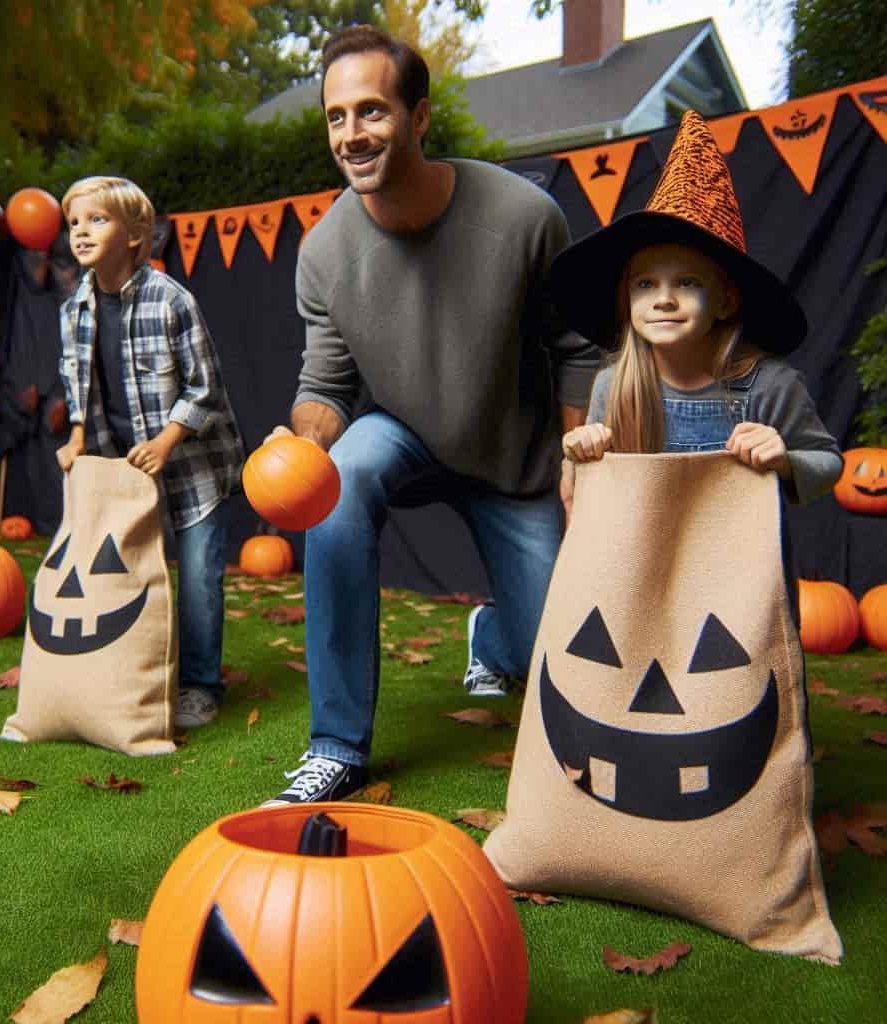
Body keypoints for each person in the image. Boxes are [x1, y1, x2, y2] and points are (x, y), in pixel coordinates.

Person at [262, 26, 599, 805]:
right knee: (340, 482)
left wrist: (580, 461)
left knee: (557, 647)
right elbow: (327, 384)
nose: (352, 134)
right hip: (404, 431)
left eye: (372, 111)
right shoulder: (323, 254)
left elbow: (578, 348)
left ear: (419, 118)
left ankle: (496, 636)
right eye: (337, 116)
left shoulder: (522, 217)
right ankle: (337, 746)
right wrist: (300, 448)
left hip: (514, 454)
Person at [555, 110, 842, 513]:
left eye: (687, 283)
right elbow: (587, 492)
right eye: (645, 284)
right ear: (627, 300)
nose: (664, 299)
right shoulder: (613, 385)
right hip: (644, 559)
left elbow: (828, 463)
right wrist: (579, 455)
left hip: (739, 562)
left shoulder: (770, 385)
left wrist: (785, 459)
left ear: (726, 301)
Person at [56, 176, 244, 728]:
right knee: (128, 567)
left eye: (97, 220)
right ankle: (138, 671)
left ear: (137, 235)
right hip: (123, 463)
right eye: (74, 223)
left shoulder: (171, 301)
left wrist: (167, 440)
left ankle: (202, 684)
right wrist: (76, 436)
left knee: (198, 575)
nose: (81, 233)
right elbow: (77, 381)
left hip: (193, 465)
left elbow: (205, 387)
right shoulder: (75, 310)